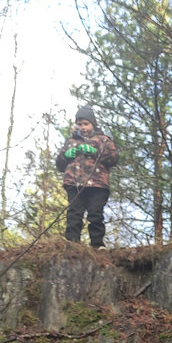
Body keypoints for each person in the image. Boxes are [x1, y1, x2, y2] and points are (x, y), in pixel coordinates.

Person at [55, 105, 119, 248]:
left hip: (97, 185)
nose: (83, 127)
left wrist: (95, 152)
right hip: (74, 183)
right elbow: (59, 165)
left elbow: (114, 159)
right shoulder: (71, 141)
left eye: (86, 124)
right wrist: (65, 156)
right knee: (74, 214)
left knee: (95, 214)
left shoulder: (103, 140)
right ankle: (72, 244)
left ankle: (97, 245)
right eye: (80, 124)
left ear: (93, 124)